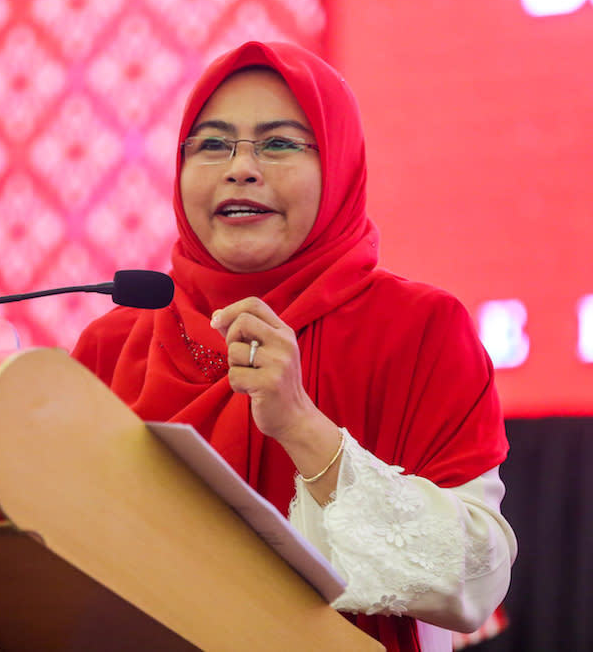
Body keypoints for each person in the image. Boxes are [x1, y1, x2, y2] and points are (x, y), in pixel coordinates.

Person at [72, 40, 517, 652]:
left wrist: (301, 427)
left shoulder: (417, 328)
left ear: (338, 167)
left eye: (278, 143)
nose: (241, 168)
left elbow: (476, 578)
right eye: (211, 145)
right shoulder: (113, 344)